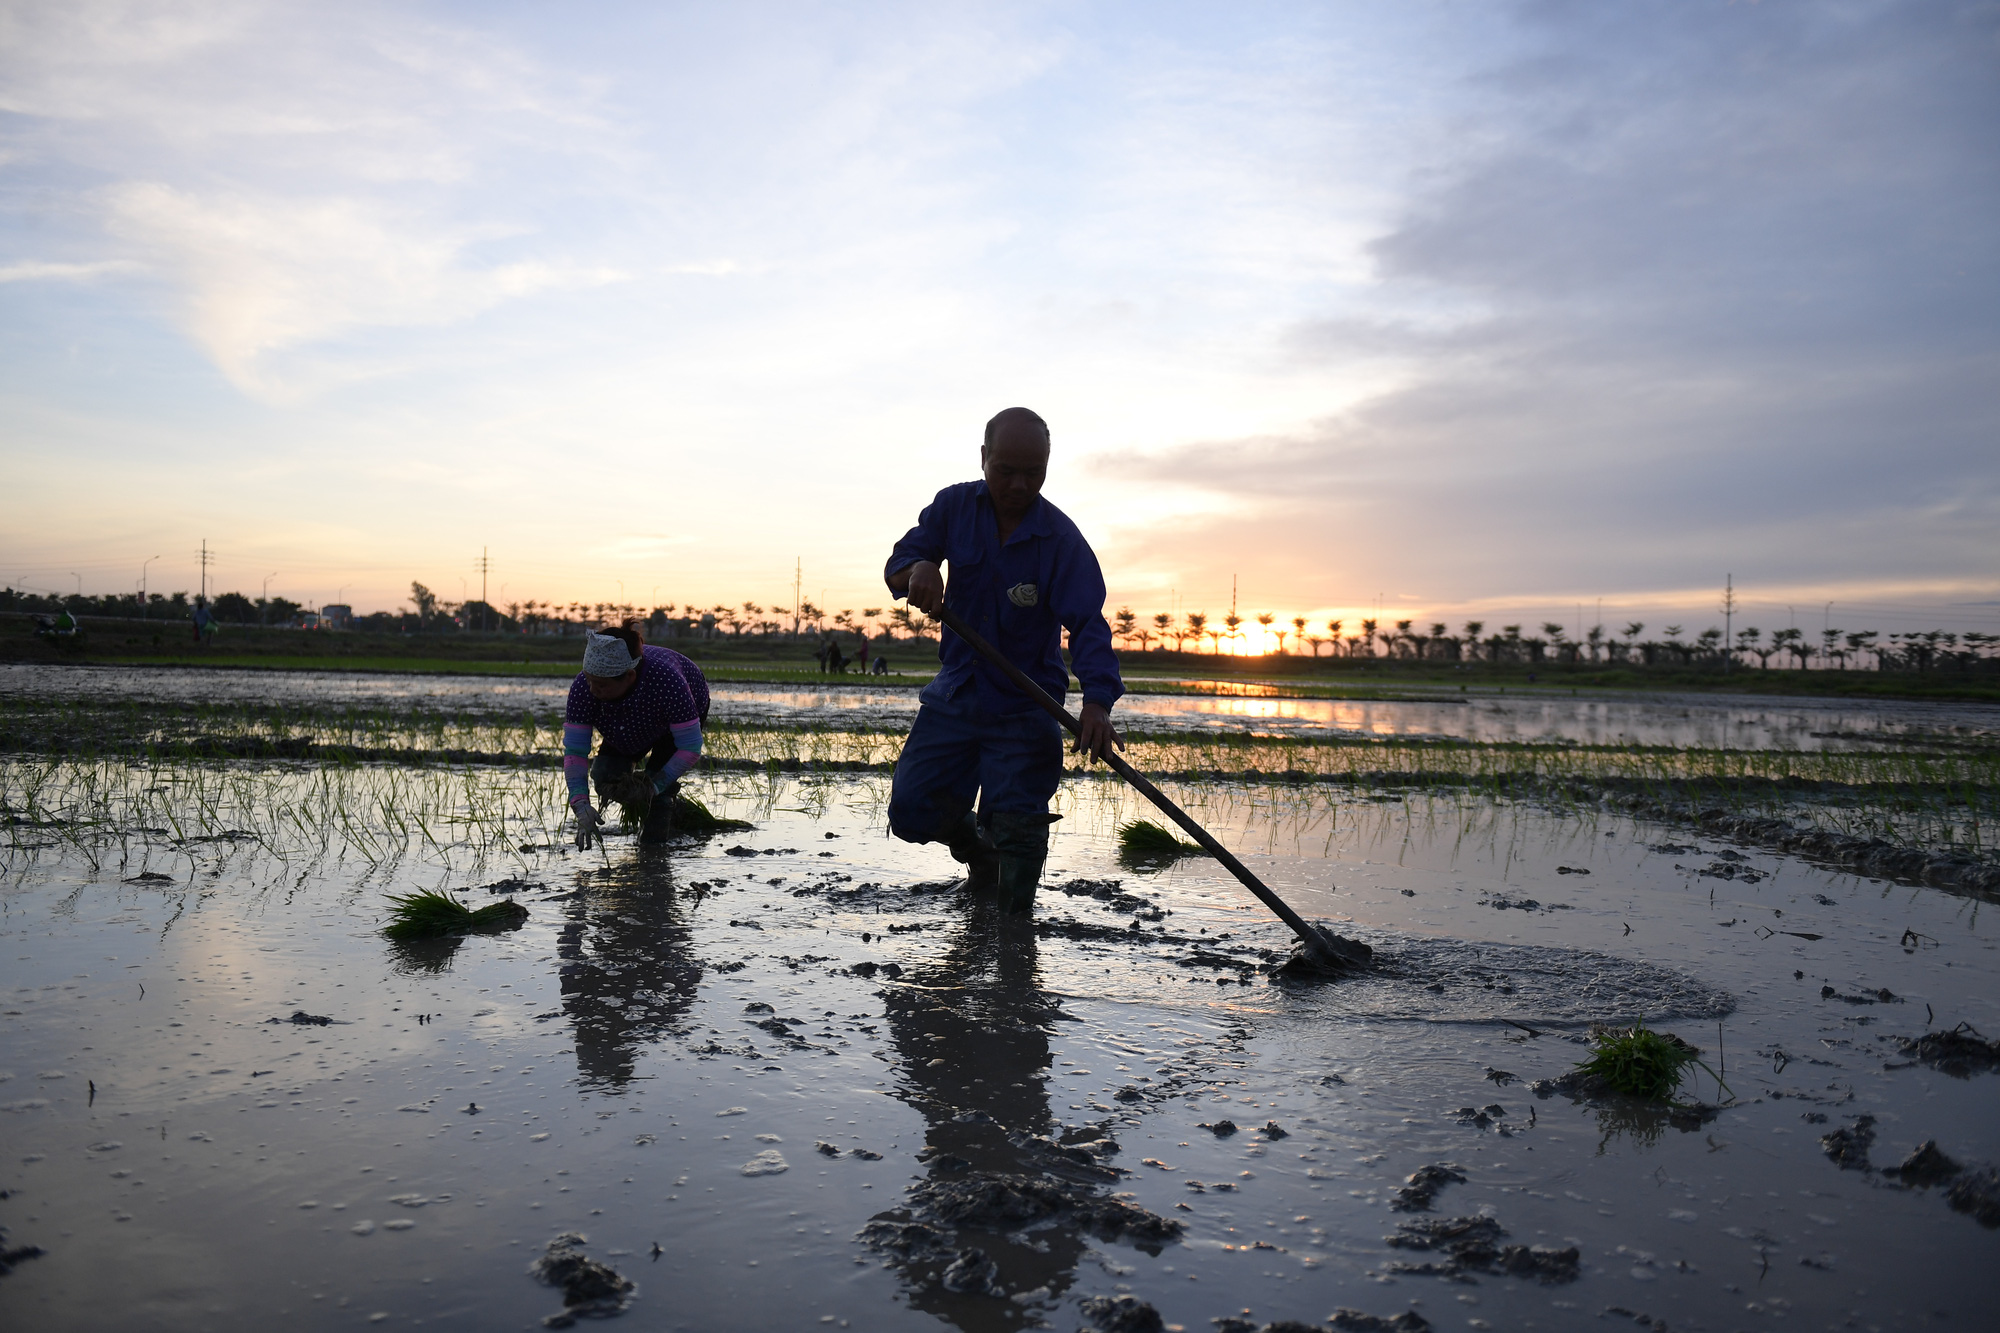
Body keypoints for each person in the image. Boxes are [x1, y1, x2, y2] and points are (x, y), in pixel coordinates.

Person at [884, 406, 1123, 913]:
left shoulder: (1060, 540)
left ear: (1047, 467)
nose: (1018, 484)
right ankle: (977, 852)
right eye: (1005, 471)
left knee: (1019, 827)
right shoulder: (953, 508)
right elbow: (898, 565)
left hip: (1026, 702)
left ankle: (1017, 942)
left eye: (1033, 473)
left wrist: (1097, 703)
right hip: (958, 691)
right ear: (984, 458)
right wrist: (921, 568)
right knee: (911, 810)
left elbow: (1088, 625)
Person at [563, 620, 710, 849]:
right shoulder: (584, 687)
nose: (593, 689)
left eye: (601, 685)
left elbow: (690, 748)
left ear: (629, 676)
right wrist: (580, 804)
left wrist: (654, 786)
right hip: (624, 719)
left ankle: (654, 851)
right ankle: (655, 803)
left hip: (674, 716)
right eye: (590, 680)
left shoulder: (668, 683)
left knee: (656, 793)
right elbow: (575, 751)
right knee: (605, 775)